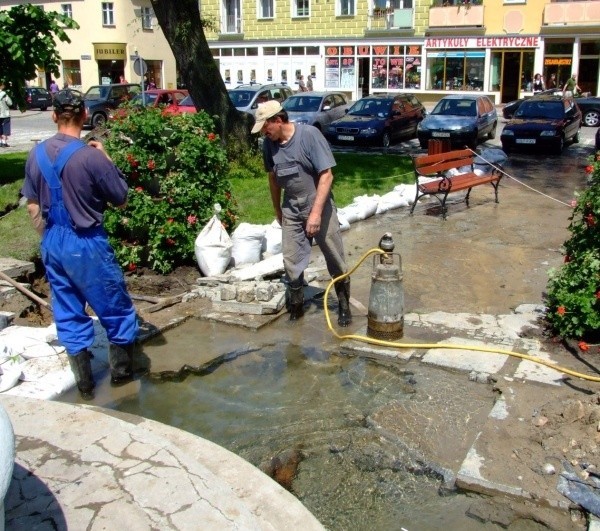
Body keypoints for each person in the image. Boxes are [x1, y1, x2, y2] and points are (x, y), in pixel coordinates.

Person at [21, 89, 139, 399]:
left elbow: (33, 206)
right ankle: (123, 385)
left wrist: (48, 239)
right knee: (115, 309)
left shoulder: (36, 155)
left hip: (53, 241)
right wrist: (107, 158)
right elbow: (122, 200)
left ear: (53, 116)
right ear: (85, 115)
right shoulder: (90, 156)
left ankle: (85, 387)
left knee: (68, 311)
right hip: (86, 242)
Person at [252, 100, 352, 326]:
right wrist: (277, 208)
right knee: (291, 259)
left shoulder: (309, 136)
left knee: (334, 255)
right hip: (291, 207)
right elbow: (273, 178)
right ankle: (296, 308)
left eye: (266, 128)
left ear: (278, 120)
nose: (265, 134)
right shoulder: (269, 145)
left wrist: (315, 214)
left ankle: (344, 307)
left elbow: (327, 176)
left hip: (319, 204)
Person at [0, 82, 13, 148]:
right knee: (6, 127)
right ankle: (4, 142)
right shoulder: (4, 95)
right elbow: (10, 103)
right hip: (5, 114)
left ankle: (0, 141)